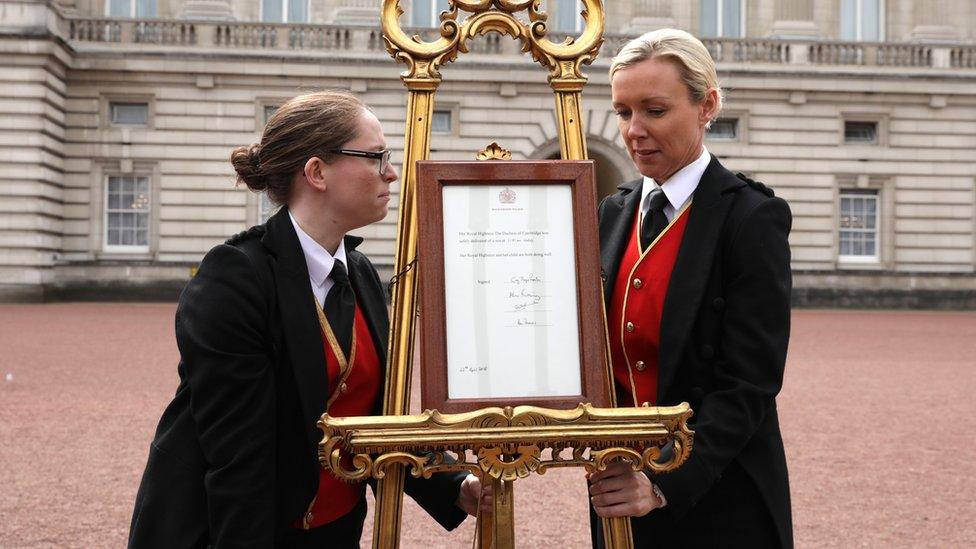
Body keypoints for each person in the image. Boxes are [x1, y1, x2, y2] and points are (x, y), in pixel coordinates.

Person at [128, 90, 483, 548]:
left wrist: (455, 485)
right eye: (376, 157)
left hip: (335, 531)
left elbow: (375, 418)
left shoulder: (360, 272)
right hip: (233, 531)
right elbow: (240, 458)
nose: (391, 172)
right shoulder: (235, 278)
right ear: (316, 172)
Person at [587, 29, 793, 548]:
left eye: (654, 110)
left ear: (708, 106)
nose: (633, 131)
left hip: (718, 495)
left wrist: (662, 482)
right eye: (622, 111)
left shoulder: (752, 217)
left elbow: (750, 382)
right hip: (616, 490)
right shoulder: (611, 212)